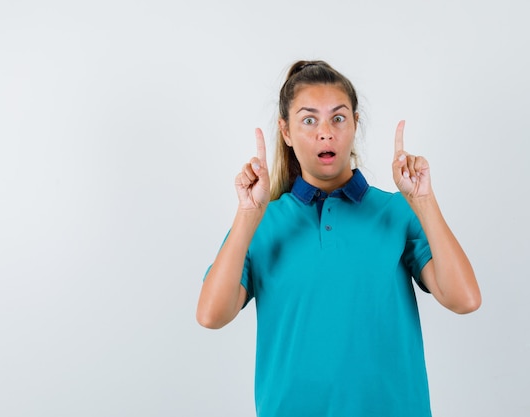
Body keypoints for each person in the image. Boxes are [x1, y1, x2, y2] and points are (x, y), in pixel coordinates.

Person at [196, 60, 481, 417]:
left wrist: (423, 201)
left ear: (355, 125)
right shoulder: (261, 222)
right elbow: (211, 315)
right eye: (309, 119)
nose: (325, 132)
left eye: (338, 118)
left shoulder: (396, 211)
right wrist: (247, 217)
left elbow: (465, 299)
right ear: (285, 131)